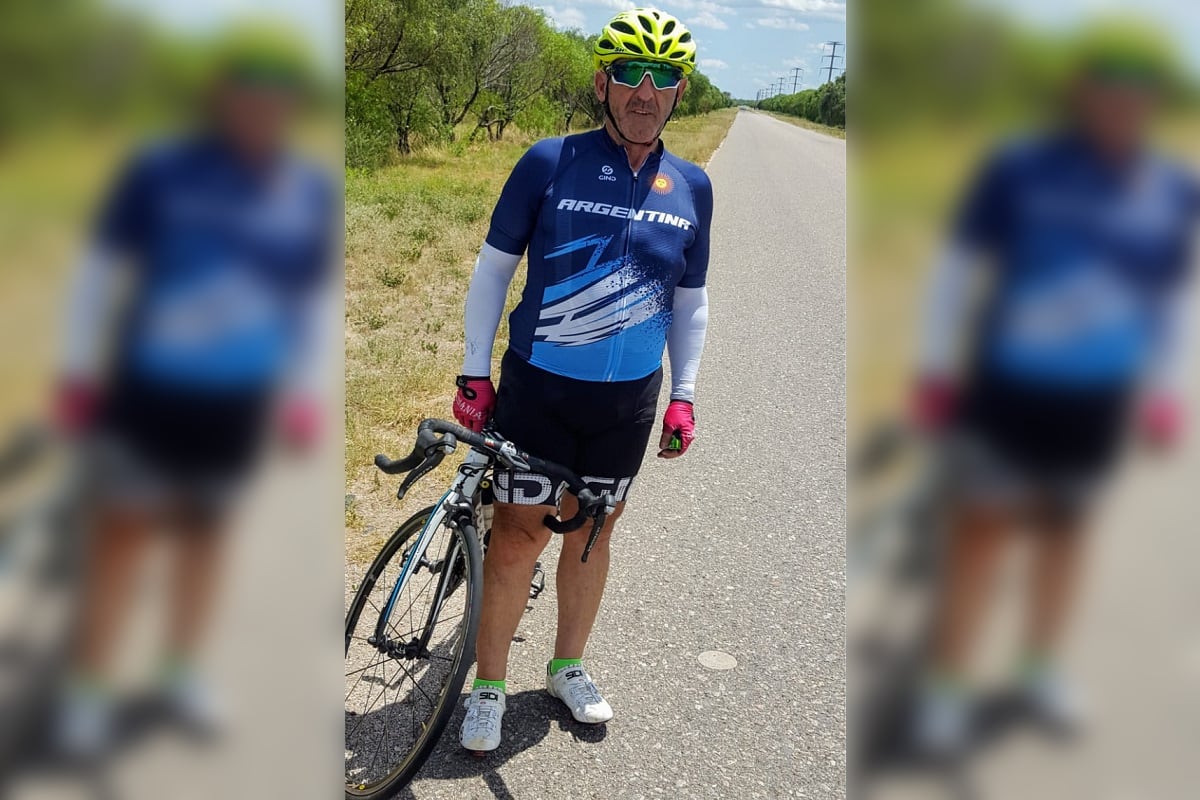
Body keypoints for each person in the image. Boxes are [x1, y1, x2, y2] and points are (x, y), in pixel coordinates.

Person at [909, 26, 1196, 757]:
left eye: (1137, 93)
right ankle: (946, 687)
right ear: (1082, 94)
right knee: (984, 535)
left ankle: (1040, 667)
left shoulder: (1172, 188)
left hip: (1100, 399)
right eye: (1109, 89)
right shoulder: (1020, 169)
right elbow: (954, 268)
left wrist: (1166, 389)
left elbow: (1174, 296)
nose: (1122, 105)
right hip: (1010, 390)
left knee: (1068, 534)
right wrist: (938, 369)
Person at [52, 31, 333, 758]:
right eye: (248, 88)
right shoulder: (160, 171)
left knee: (207, 539)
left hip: (238, 401)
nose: (261, 105)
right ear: (221, 95)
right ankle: (88, 689)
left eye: (277, 92)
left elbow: (308, 300)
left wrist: (303, 391)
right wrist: (78, 372)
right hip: (149, 391)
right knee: (124, 538)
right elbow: (96, 271)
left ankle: (181, 670)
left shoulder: (306, 190)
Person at [451, 8, 713, 753]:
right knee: (513, 542)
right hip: (540, 391)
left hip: (627, 405)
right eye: (629, 74)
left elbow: (691, 304)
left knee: (592, 539)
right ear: (602, 82)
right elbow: (493, 269)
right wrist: (474, 371)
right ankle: (490, 685)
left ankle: (568, 666)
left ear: (679, 92)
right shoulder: (549, 160)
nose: (644, 92)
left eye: (662, 78)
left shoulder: (692, 187)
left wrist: (685, 393)